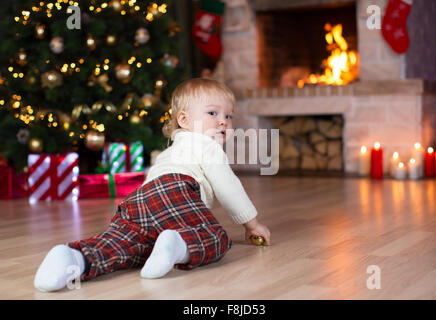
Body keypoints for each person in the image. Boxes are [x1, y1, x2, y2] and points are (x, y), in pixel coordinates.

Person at [33, 78, 271, 292]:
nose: (223, 122)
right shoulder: (207, 146)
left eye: (228, 116)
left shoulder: (173, 149)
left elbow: (154, 185)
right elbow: (228, 186)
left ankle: (75, 258)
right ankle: (178, 245)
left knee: (127, 246)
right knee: (215, 237)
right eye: (212, 113)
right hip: (177, 191)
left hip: (138, 200)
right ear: (185, 120)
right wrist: (252, 224)